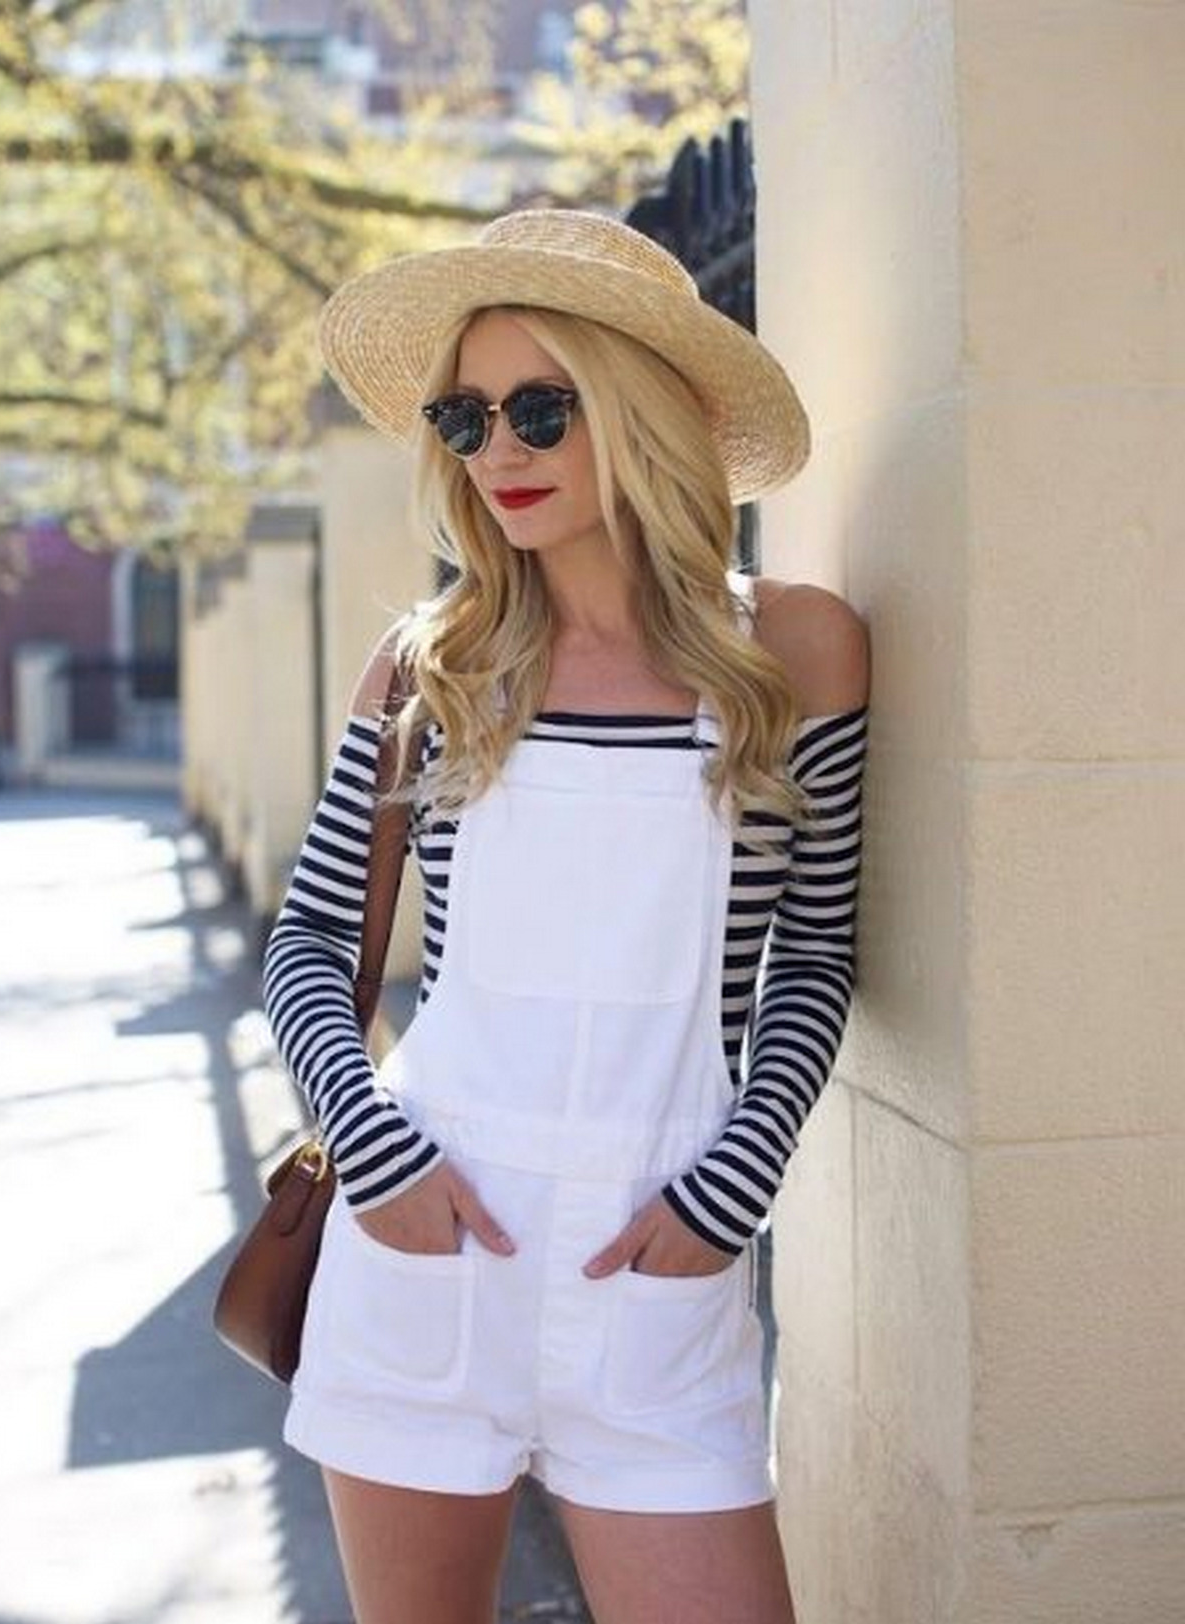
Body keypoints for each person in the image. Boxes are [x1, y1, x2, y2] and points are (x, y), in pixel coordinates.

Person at [263, 208, 869, 1624]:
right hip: (425, 1252)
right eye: (466, 418)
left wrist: (738, 1185)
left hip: (657, 1270)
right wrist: (371, 1148)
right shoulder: (431, 667)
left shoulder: (794, 650)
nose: (500, 452)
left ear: (645, 410)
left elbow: (818, 948)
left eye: (542, 407)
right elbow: (309, 941)